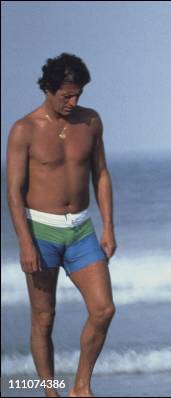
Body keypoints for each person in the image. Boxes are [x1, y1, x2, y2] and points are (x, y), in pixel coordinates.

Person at [6, 53, 116, 397]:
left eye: (78, 94)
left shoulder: (91, 121)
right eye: (67, 95)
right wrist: (25, 243)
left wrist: (109, 226)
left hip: (82, 229)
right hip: (41, 232)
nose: (74, 101)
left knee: (103, 309)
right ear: (49, 89)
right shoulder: (24, 129)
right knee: (44, 318)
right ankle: (50, 391)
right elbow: (13, 191)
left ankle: (81, 387)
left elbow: (100, 174)